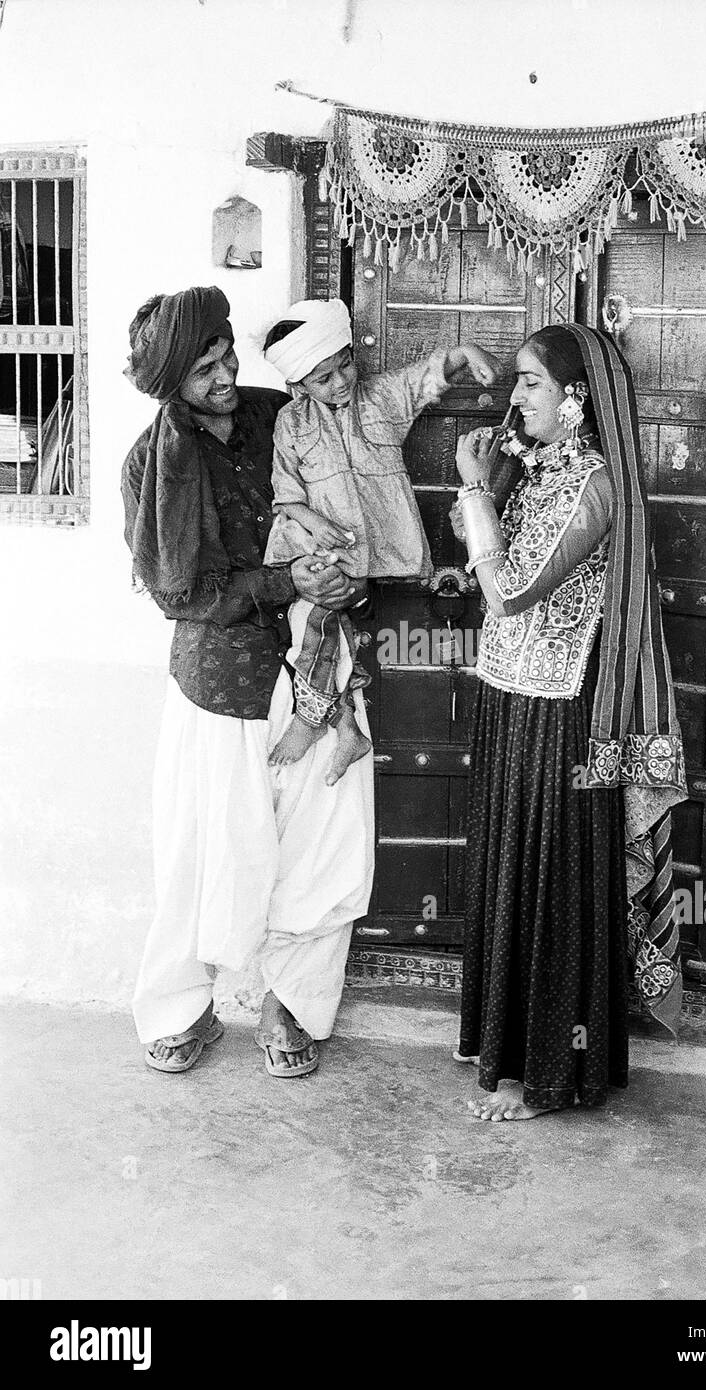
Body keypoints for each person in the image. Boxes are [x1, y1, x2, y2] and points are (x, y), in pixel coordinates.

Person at [121, 285, 374, 1079]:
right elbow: (181, 595)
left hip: (317, 663)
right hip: (220, 686)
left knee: (325, 844)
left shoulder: (280, 417)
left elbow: (352, 502)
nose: (226, 374)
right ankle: (181, 1009)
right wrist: (286, 580)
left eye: (227, 355)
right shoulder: (151, 465)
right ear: (170, 383)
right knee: (207, 853)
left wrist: (340, 582)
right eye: (204, 369)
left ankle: (289, 1006)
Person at [451, 322, 687, 1121]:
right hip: (513, 696)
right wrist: (487, 492)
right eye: (517, 382)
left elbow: (512, 591)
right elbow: (490, 565)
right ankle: (506, 1052)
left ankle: (549, 1073)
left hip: (561, 716)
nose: (514, 398)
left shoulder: (592, 485)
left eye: (531, 384)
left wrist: (474, 489)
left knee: (549, 882)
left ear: (577, 399)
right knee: (512, 871)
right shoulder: (544, 470)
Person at [261, 298, 501, 784]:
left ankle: (317, 718)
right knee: (321, 620)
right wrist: (312, 518)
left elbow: (426, 375)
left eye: (344, 365)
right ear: (298, 385)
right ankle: (344, 725)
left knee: (327, 618)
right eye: (322, 379)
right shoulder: (292, 421)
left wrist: (467, 351)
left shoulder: (380, 396)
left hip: (377, 546)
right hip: (318, 546)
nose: (340, 381)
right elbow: (284, 493)